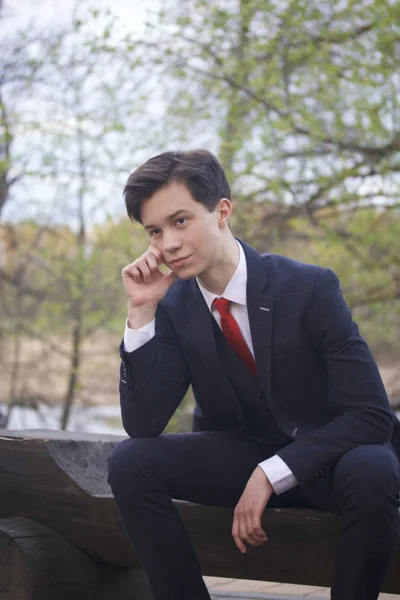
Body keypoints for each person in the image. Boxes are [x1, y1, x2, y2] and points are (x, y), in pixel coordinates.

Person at [107, 149, 400, 600]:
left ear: (222, 211)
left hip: (330, 460)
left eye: (180, 221)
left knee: (375, 468)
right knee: (129, 462)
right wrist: (141, 310)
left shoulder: (309, 287)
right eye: (155, 231)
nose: (167, 244)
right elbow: (143, 425)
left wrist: (271, 473)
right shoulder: (173, 304)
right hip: (238, 457)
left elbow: (371, 415)